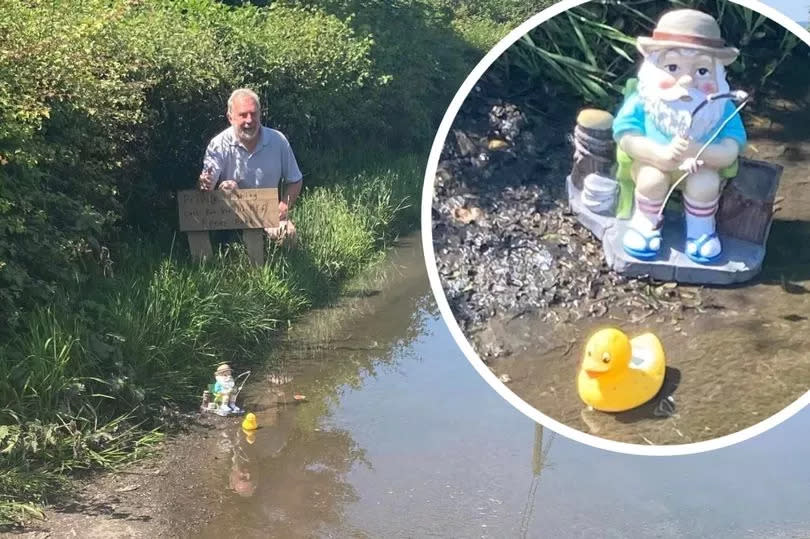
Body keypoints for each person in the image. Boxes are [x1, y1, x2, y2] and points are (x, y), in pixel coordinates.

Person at [613, 9, 747, 263]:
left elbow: (732, 149)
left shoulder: (723, 107)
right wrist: (659, 154)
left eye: (702, 71)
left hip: (701, 167)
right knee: (652, 180)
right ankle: (646, 224)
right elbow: (626, 135)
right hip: (651, 164)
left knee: (705, 184)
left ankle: (700, 232)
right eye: (672, 67)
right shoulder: (644, 101)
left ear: (719, 74)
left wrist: (699, 151)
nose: (687, 80)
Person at [199, 88, 303, 244]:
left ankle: (274, 259)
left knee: (289, 235)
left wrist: (282, 208)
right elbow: (205, 192)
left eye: (253, 114)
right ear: (230, 117)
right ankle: (231, 243)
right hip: (230, 220)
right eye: (243, 115)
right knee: (228, 186)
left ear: (260, 114)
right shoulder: (218, 144)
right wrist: (204, 185)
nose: (249, 120)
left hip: (267, 214)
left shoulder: (277, 140)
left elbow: (295, 180)